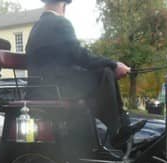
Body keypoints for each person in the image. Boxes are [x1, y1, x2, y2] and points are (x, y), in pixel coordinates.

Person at [26, 0, 146, 147]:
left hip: (41, 88)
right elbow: (81, 56)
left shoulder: (36, 28)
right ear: (63, 5)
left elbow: (66, 60)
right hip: (56, 89)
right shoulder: (60, 23)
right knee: (105, 73)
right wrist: (114, 65)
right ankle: (118, 130)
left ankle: (113, 127)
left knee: (99, 72)